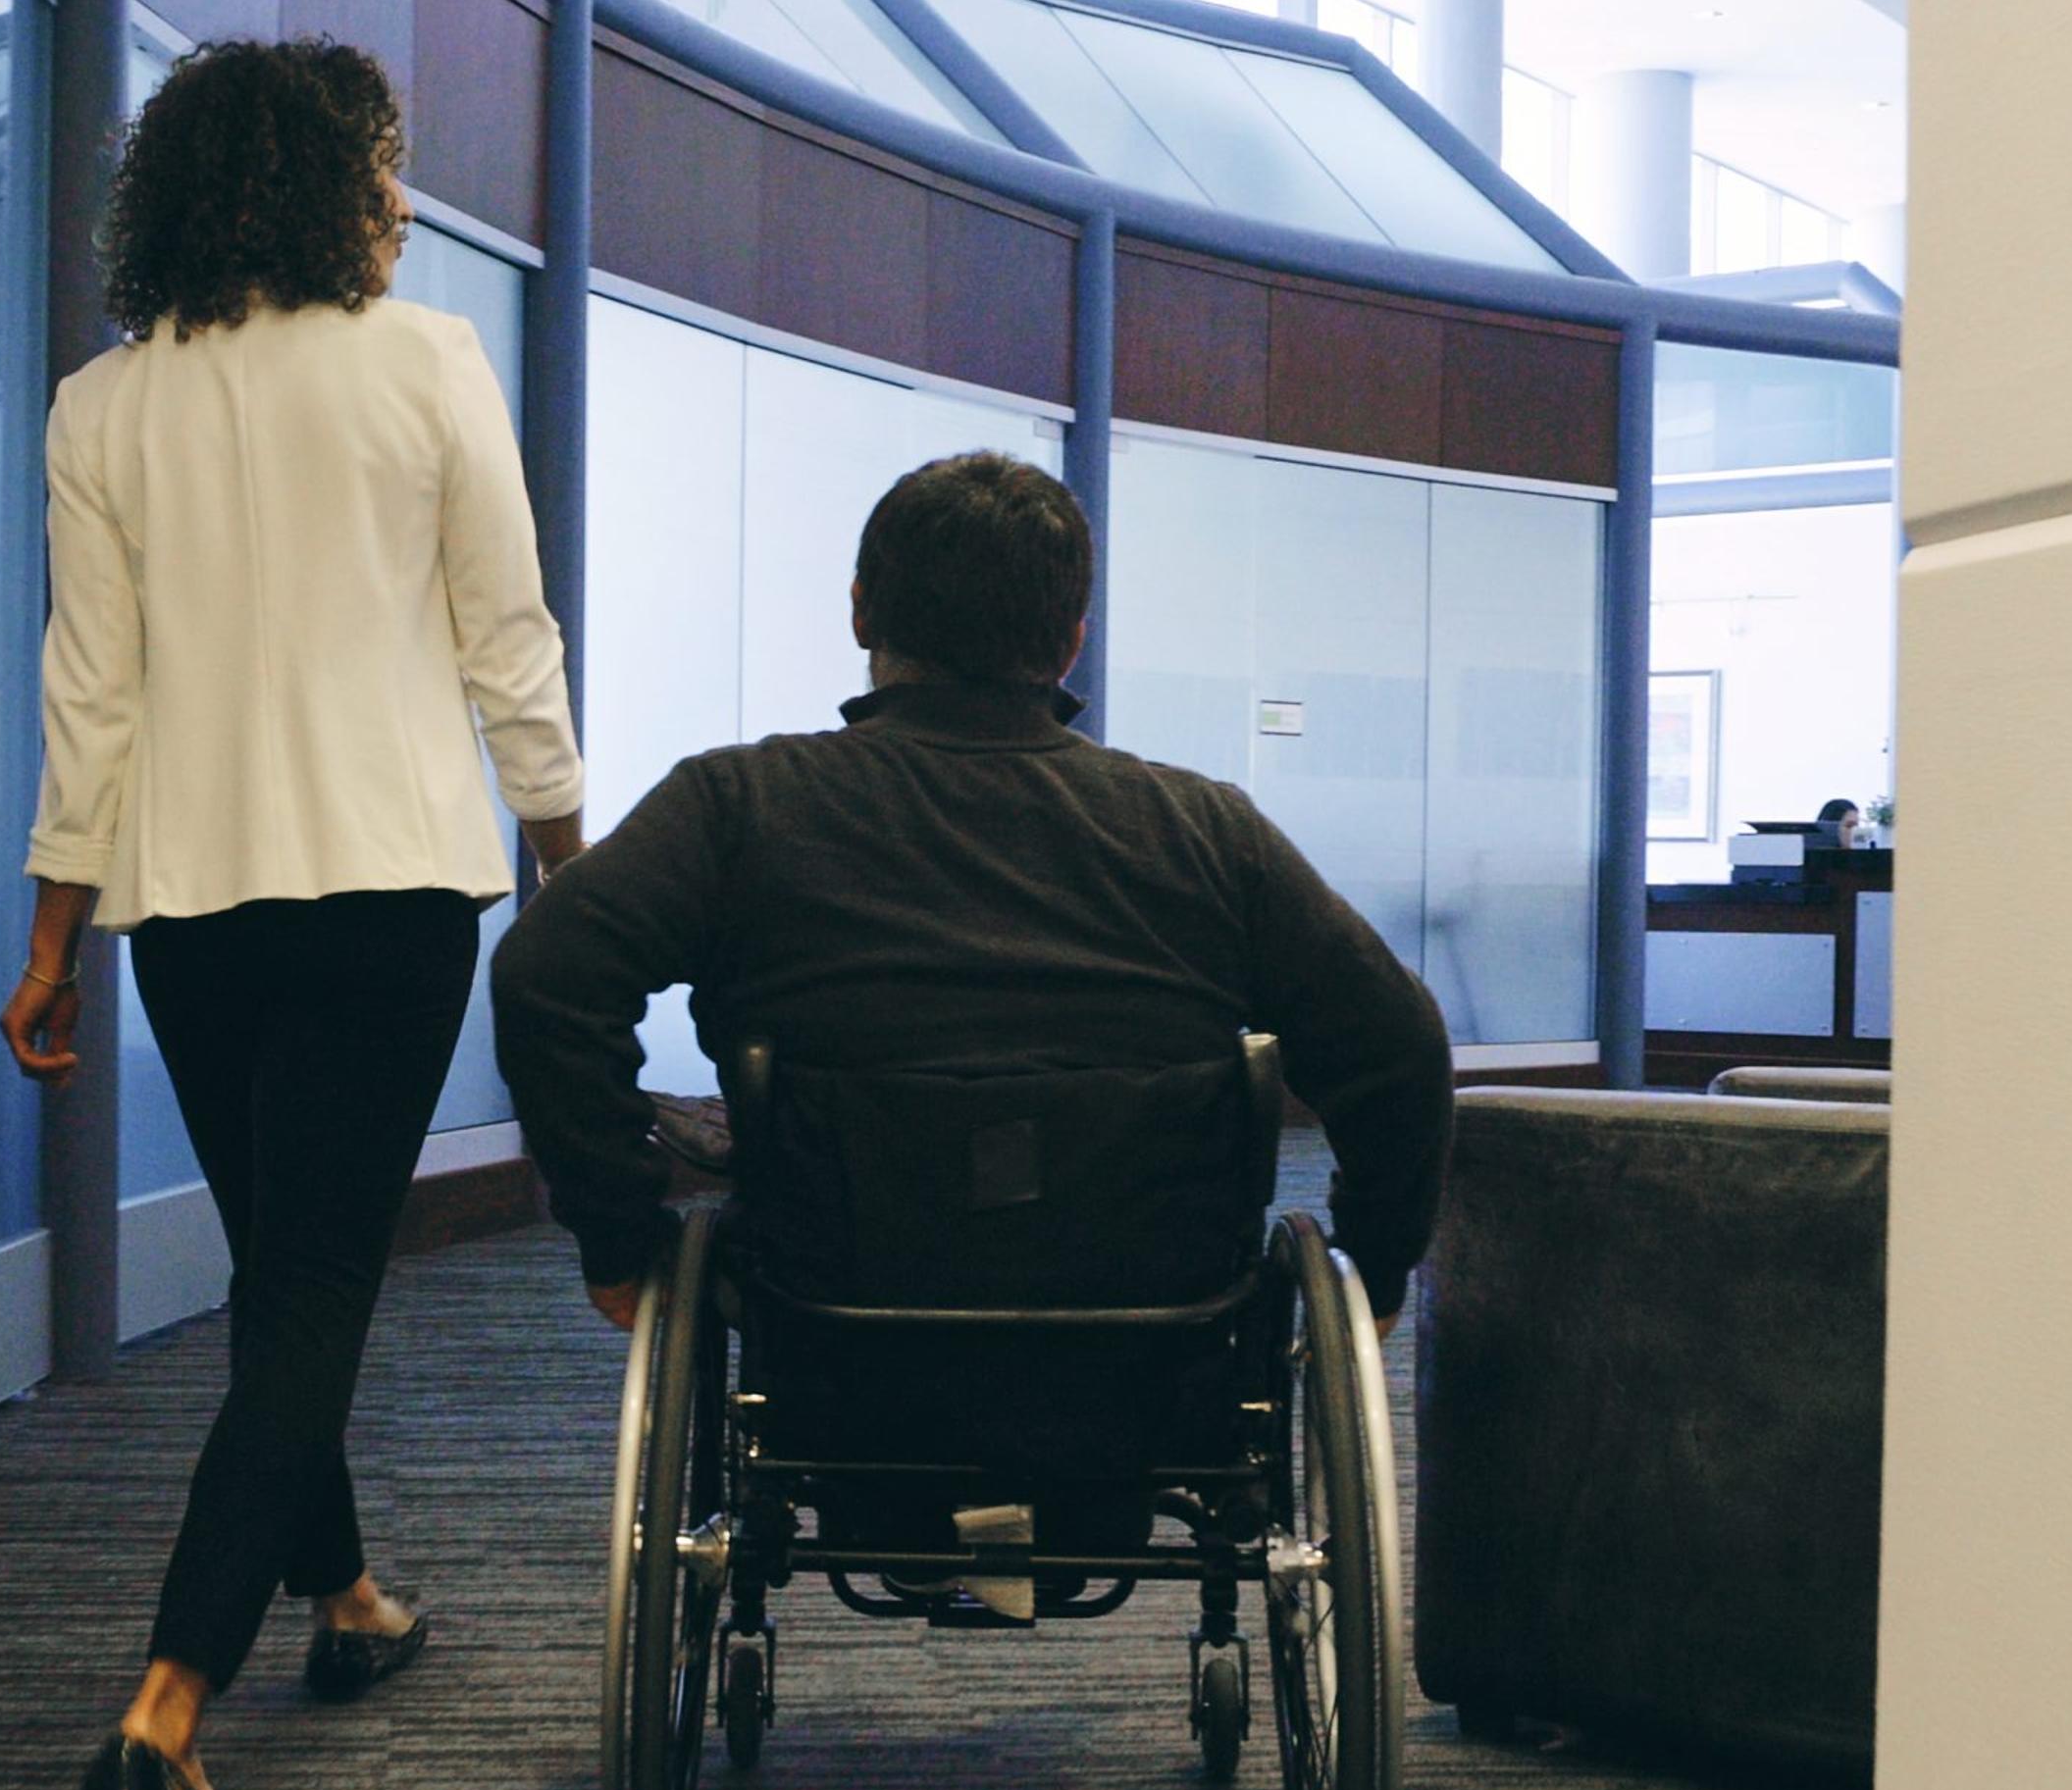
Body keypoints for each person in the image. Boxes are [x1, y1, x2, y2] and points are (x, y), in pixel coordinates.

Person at [5, 38, 585, 1790]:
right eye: (384, 168)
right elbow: (507, 633)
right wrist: (567, 856)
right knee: (320, 1286)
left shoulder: (104, 408)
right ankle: (166, 1706)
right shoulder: (423, 362)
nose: (400, 202)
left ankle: (346, 1599)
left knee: (282, 1267)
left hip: (192, 900)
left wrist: (50, 938)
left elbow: (87, 700)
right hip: (390, 886)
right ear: (324, 186)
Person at [491, 450, 1452, 1389]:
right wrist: (1372, 1265)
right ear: (1071, 638)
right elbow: (1397, 1046)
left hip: (832, 1331)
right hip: (1151, 1345)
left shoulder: (739, 804)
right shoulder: (1206, 828)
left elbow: (548, 972)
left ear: (861, 606)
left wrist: (618, 1231)